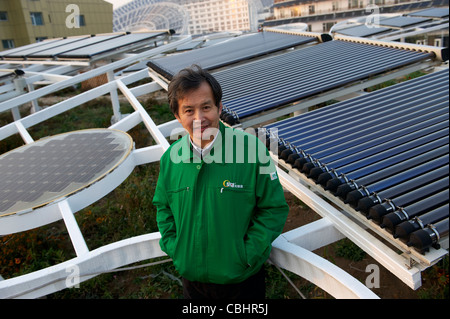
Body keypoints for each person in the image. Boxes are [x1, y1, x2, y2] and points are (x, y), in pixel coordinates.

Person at [153, 65, 289, 299]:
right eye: (188, 110)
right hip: (192, 282)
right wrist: (176, 250)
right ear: (177, 116)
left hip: (242, 281)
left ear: (219, 108)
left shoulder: (251, 151)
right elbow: (163, 208)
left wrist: (246, 255)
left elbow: (273, 209)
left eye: (206, 107)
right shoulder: (170, 160)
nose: (199, 118)